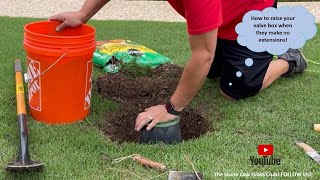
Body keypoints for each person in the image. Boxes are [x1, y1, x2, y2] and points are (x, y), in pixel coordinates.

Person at [50, 0, 307, 132]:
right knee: (212, 74)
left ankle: (289, 59)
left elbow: (203, 54)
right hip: (219, 13)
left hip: (251, 10)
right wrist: (82, 14)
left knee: (235, 89)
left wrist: (171, 109)